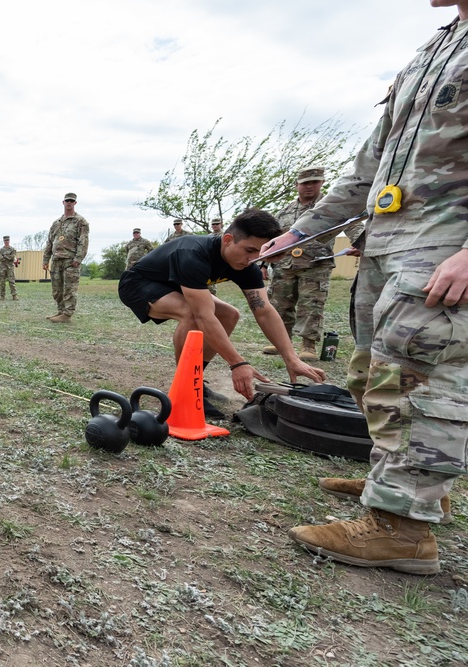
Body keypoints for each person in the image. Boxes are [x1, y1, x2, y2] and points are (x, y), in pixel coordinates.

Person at [266, 1, 468, 575]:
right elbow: (366, 170)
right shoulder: (436, 46)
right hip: (385, 239)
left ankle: (403, 529)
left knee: (416, 376)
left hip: (445, 241)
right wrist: (298, 233)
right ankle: (404, 485)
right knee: (372, 372)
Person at [118, 208, 327, 418]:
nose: (252, 259)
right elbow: (203, 317)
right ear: (227, 239)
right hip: (137, 284)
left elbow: (264, 311)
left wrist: (291, 358)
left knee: (230, 314)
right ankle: (186, 387)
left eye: (259, 252)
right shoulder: (192, 254)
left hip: (176, 285)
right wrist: (238, 363)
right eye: (249, 250)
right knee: (192, 314)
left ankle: (195, 380)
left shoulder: (247, 264)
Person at [261, 167, 360, 361]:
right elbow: (274, 238)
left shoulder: (330, 208)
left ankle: (309, 346)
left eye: (315, 182)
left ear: (322, 183)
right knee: (280, 304)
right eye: (305, 183)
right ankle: (281, 341)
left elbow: (353, 225)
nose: (309, 186)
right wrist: (264, 264)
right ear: (296, 185)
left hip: (316, 265)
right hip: (285, 266)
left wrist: (360, 243)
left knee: (311, 306)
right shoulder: (285, 211)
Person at [42, 192, 89, 322]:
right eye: (67, 200)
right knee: (57, 289)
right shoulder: (56, 223)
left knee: (69, 289)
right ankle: (60, 311)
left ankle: (67, 314)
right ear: (63, 202)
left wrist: (78, 259)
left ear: (75, 203)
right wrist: (46, 259)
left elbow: (83, 241)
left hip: (70, 260)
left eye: (71, 201)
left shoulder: (80, 221)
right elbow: (50, 242)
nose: (69, 203)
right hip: (56, 260)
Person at [0, 235, 19, 301]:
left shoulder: (12, 249)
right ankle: (2, 296)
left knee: (12, 281)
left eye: (7, 240)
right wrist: (7, 257)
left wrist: (5, 256)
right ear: (3, 241)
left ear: (9, 241)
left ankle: (14, 295)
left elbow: (12, 257)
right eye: (5, 240)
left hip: (10, 267)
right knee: (2, 282)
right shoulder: (1, 250)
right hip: (2, 267)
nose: (6, 241)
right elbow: (0, 257)